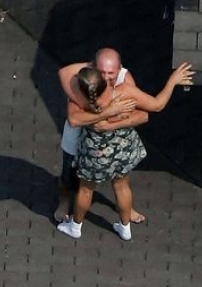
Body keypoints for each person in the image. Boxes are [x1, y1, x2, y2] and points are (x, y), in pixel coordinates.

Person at [56, 62, 194, 240]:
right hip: (121, 150)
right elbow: (157, 105)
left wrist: (104, 121)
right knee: (122, 187)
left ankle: (75, 227)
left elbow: (65, 75)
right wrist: (173, 81)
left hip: (95, 155)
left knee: (85, 190)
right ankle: (125, 228)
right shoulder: (122, 93)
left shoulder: (80, 102)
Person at [54, 48, 149, 224]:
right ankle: (64, 201)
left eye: (110, 73)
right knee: (68, 174)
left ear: (119, 69)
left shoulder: (125, 81)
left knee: (120, 179)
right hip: (77, 138)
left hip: (111, 142)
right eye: (101, 71)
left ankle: (126, 209)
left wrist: (110, 124)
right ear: (92, 67)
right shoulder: (83, 79)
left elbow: (141, 115)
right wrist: (109, 113)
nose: (105, 77)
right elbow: (74, 118)